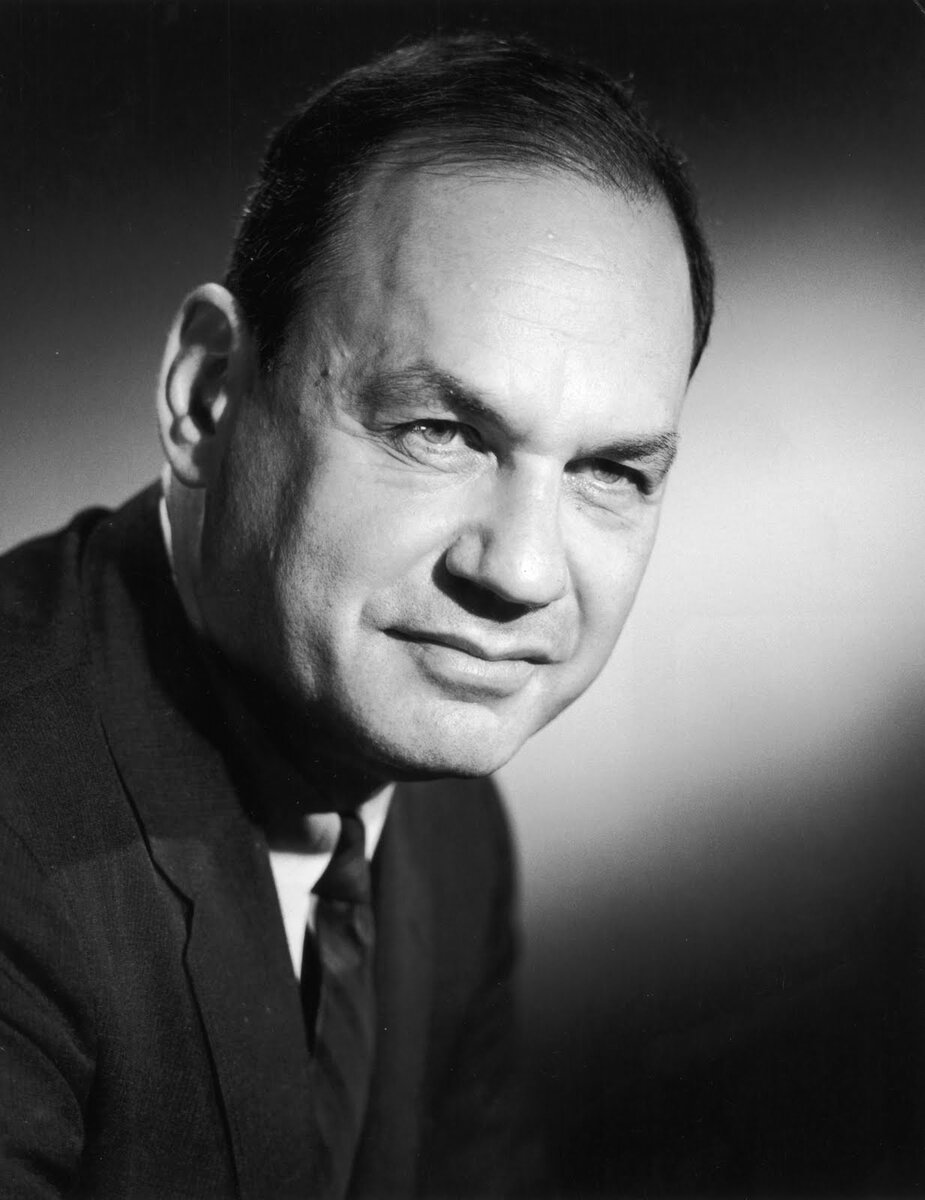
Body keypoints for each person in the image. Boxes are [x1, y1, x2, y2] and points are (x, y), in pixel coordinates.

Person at [0, 32, 713, 1200]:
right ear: (207, 395)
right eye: (439, 432)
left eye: (611, 472)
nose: (522, 571)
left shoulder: (445, 828)